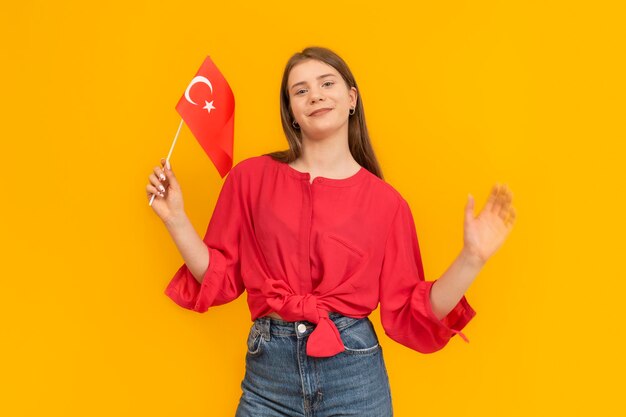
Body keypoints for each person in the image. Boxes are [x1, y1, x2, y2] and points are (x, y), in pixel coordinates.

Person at [145, 46, 516, 417]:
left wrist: (471, 259)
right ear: (290, 111)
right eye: (300, 90)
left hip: (353, 375)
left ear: (351, 98)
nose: (316, 95)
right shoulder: (250, 179)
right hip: (267, 379)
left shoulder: (387, 203)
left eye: (326, 83)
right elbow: (220, 277)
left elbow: (409, 310)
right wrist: (176, 218)